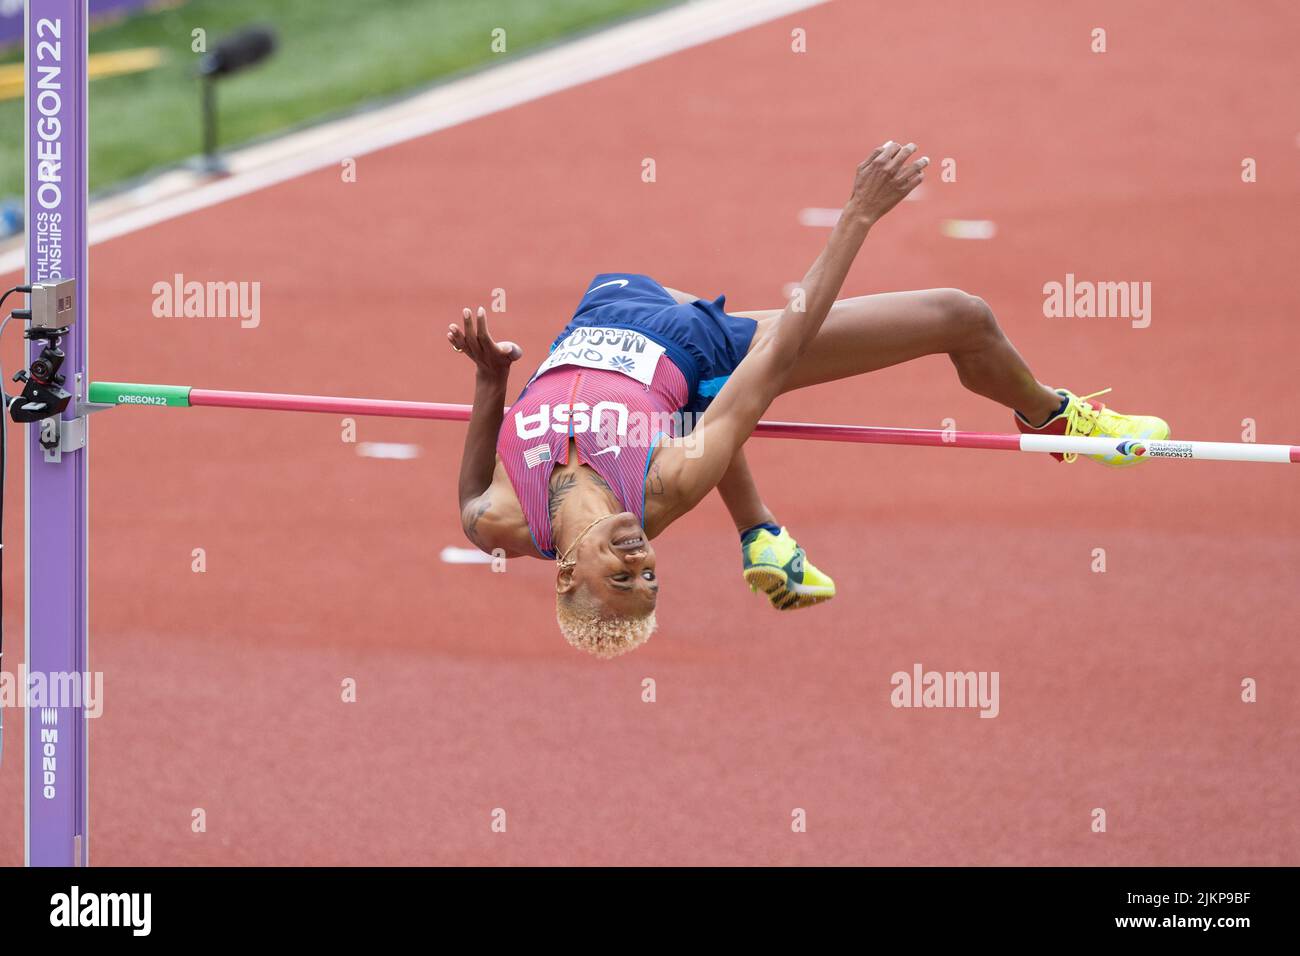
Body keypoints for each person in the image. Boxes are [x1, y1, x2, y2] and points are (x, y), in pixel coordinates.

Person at [449, 141, 1169, 659]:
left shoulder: (496, 522)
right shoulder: (663, 485)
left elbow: (473, 485)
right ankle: (1053, 417)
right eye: (650, 578)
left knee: (699, 416)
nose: (642, 560)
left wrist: (490, 379)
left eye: (623, 576)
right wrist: (856, 216)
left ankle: (761, 533)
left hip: (606, 305)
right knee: (963, 316)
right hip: (704, 345)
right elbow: (776, 354)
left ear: (568, 572)